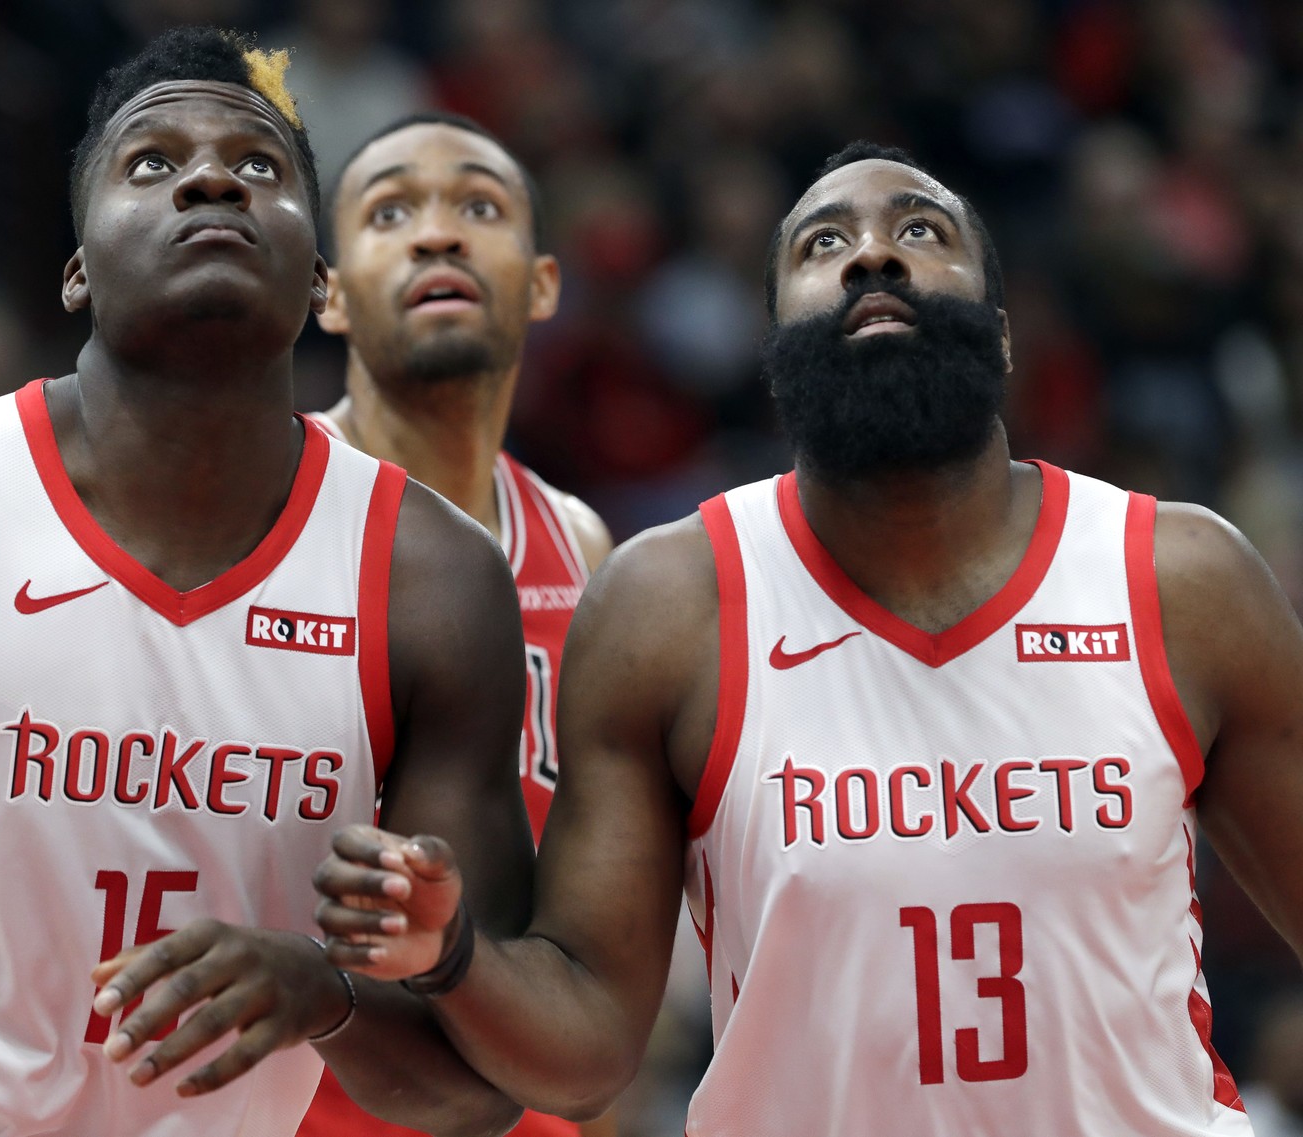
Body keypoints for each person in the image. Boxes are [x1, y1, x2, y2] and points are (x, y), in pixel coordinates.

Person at [315, 140, 1303, 1136]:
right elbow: (589, 1061)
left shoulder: (1181, 580)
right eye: (823, 244)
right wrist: (453, 956)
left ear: (1003, 334)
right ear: (777, 354)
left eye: (921, 230)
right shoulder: (668, 605)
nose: (874, 255)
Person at [0, 27, 533, 1137]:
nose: (213, 175)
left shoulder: (434, 582)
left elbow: (475, 1090)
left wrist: (327, 996)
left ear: (321, 283)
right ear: (77, 269)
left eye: (259, 166)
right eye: (152, 163)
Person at [293, 113, 611, 1137]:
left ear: (545, 282)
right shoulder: (268, 506)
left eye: (480, 206)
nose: (439, 235)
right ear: (328, 294)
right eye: (390, 213)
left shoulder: (579, 543)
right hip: (286, 1099)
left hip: (509, 1103)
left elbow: (596, 922)